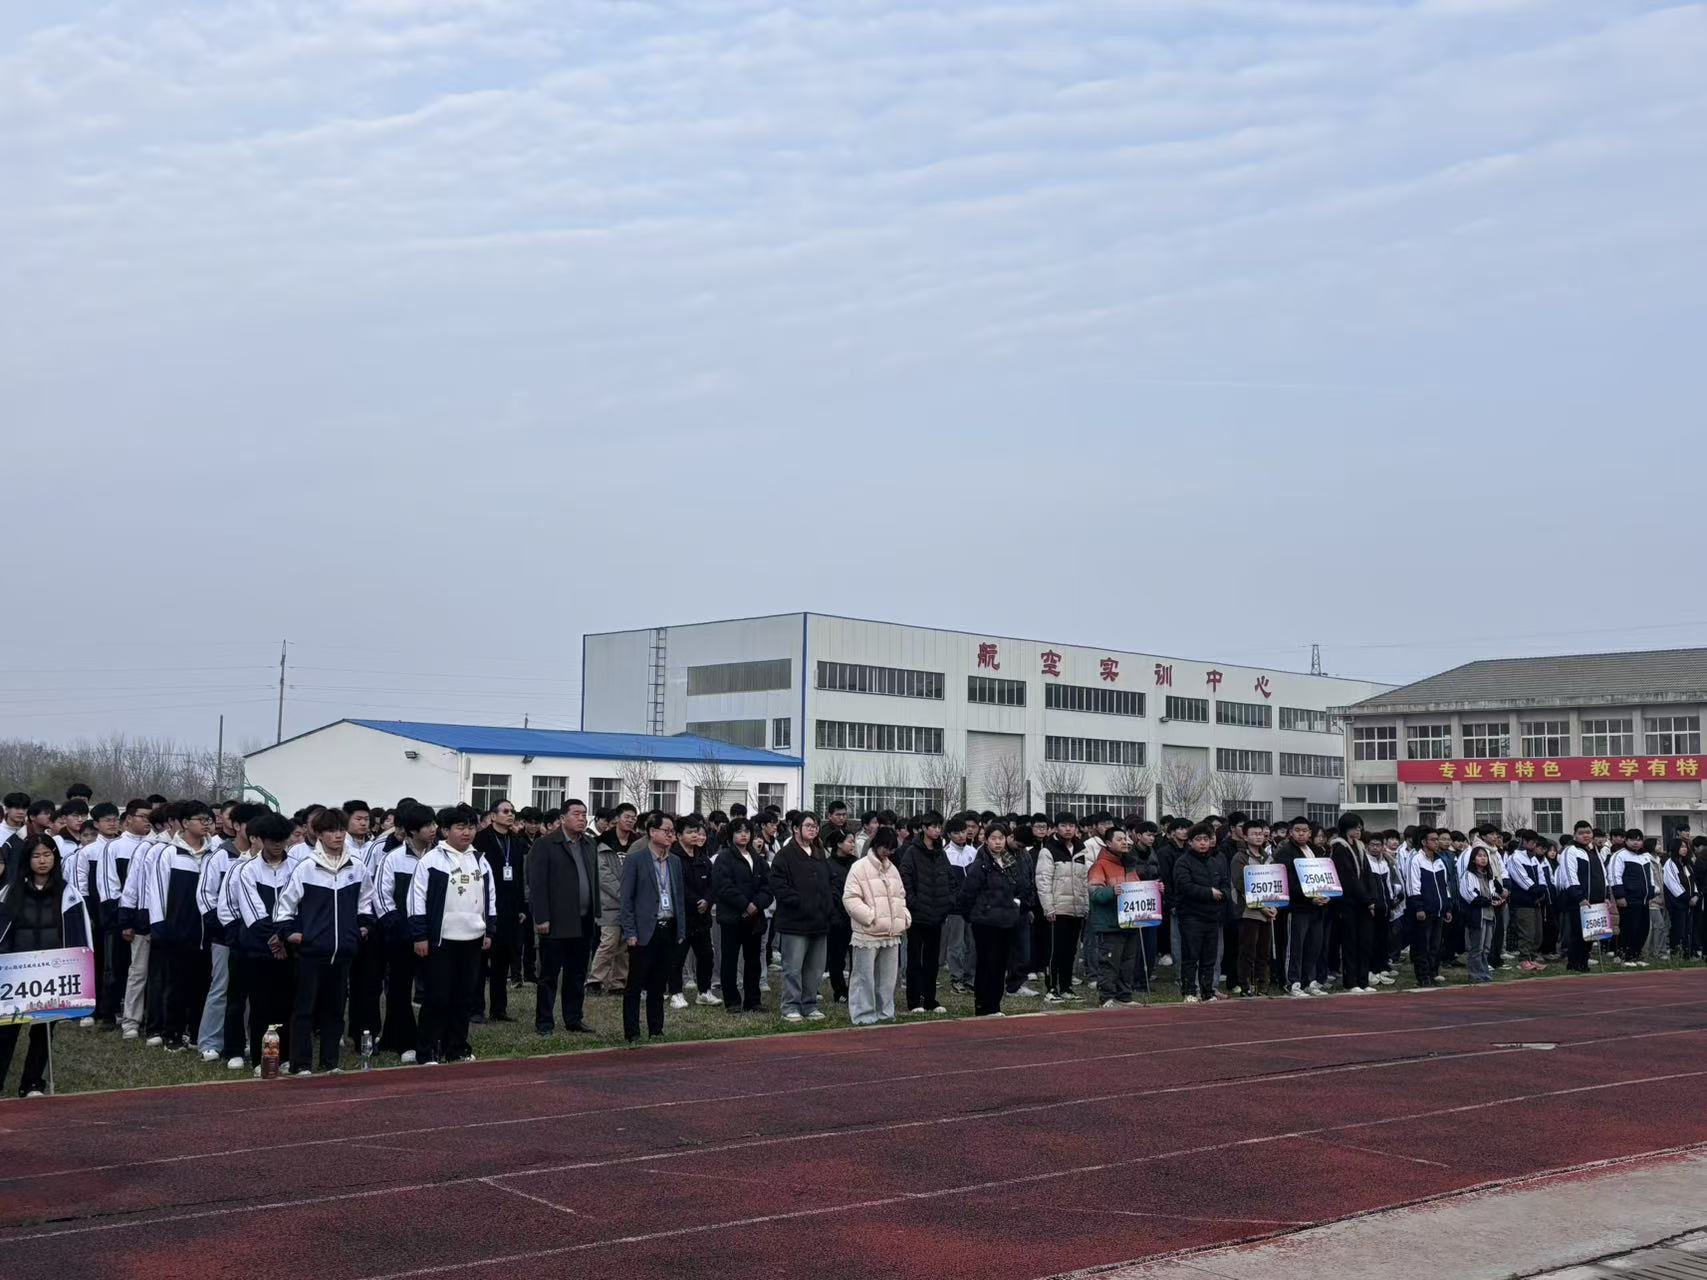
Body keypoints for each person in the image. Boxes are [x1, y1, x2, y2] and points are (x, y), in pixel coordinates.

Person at [274, 808, 374, 1075]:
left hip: (343, 952)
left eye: (341, 830)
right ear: (318, 834)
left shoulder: (357, 866)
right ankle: (301, 1064)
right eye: (331, 830)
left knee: (335, 1010)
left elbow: (366, 900)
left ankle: (330, 1062)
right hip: (311, 952)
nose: (338, 835)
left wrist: (362, 927)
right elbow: (284, 907)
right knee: (304, 1010)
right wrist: (292, 933)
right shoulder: (306, 867)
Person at [0, 836, 92, 1097]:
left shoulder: (69, 894)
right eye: (36, 856)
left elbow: (80, 938)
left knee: (43, 1031)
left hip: (52, 975)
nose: (42, 861)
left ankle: (31, 1083)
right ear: (27, 860)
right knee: (6, 1031)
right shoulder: (9, 893)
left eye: (47, 855)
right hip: (15, 975)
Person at [407, 805, 494, 1066]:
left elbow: (490, 898)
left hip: (473, 939)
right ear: (445, 831)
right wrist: (420, 935)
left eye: (471, 827)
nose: (467, 832)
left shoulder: (480, 859)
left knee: (463, 997)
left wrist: (489, 929)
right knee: (437, 997)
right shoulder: (431, 861)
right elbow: (416, 900)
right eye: (460, 827)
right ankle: (427, 1051)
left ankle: (457, 1048)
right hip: (441, 940)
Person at [224, 811, 298, 1072]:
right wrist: (274, 941)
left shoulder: (297, 868)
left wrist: (285, 939)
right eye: (272, 840)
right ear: (260, 840)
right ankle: (264, 1059)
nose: (278, 845)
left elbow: (298, 906)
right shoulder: (248, 870)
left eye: (282, 840)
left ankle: (285, 1057)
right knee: (261, 1006)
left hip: (290, 948)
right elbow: (253, 913)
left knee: (286, 1004)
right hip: (258, 949)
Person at [146, 800, 217, 1052]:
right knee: (176, 984)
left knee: (202, 984)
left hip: (206, 931)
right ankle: (172, 1034)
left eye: (209, 820)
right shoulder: (169, 854)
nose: (206, 824)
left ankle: (197, 1033)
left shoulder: (214, 853)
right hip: (177, 929)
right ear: (185, 823)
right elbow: (156, 891)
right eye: (201, 820)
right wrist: (159, 925)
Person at [526, 798, 600, 1036]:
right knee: (549, 975)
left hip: (584, 920)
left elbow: (594, 879)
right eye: (576, 814)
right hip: (556, 921)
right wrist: (541, 917)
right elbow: (537, 884)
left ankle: (573, 1018)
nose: (581, 818)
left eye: (584, 814)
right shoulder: (546, 844)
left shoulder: (589, 844)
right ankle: (544, 1022)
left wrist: (596, 911)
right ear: (562, 818)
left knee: (577, 974)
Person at [617, 813, 686, 1042]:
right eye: (666, 831)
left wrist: (681, 930)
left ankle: (656, 1029)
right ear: (652, 832)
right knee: (635, 984)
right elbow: (626, 899)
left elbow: (678, 897)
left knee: (658, 983)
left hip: (668, 927)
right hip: (644, 930)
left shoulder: (674, 861)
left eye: (672, 831)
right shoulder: (636, 860)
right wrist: (630, 932)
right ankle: (632, 1031)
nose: (670, 835)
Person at [374, 803, 436, 1058]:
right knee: (400, 989)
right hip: (401, 937)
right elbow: (381, 896)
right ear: (411, 830)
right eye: (427, 825)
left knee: (432, 989)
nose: (433, 829)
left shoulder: (439, 856)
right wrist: (398, 926)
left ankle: (428, 1037)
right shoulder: (393, 858)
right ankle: (403, 1040)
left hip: (433, 935)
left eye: (434, 823)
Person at [957, 821, 1032, 1017]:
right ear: (986, 840)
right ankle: (983, 1005)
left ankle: (995, 1005)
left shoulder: (1010, 861)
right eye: (993, 838)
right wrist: (975, 915)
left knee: (1000, 965)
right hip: (985, 922)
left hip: (1006, 920)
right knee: (986, 964)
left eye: (1001, 838)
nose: (998, 842)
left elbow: (1021, 886)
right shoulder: (981, 863)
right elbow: (967, 893)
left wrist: (1016, 904)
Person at [769, 811, 832, 1023]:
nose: (813, 829)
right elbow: (779, 886)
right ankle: (790, 1006)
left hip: (819, 921)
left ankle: (810, 1004)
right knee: (793, 967)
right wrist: (800, 902)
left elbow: (829, 882)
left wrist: (828, 904)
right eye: (808, 825)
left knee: (815, 968)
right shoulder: (785, 855)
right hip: (794, 922)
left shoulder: (819, 853)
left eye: (815, 826)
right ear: (796, 828)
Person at [843, 826, 909, 1025]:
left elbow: (900, 895)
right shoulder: (859, 867)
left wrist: (903, 917)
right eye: (885, 848)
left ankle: (885, 1012)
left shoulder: (892, 869)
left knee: (888, 979)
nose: (888, 852)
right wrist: (870, 917)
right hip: (867, 933)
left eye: (891, 849)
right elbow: (850, 898)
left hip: (891, 932)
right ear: (876, 845)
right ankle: (863, 1014)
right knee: (864, 977)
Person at [472, 800, 527, 1023]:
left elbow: (519, 875)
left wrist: (521, 906)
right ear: (493, 816)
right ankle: (476, 1008)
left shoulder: (516, 840)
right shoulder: (480, 839)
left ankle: (499, 1008)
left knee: (502, 959)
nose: (510, 815)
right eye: (505, 811)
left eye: (512, 811)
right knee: (480, 960)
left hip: (509, 906)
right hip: (485, 904)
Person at [711, 817, 771, 1012]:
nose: (744, 835)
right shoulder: (724, 857)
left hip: (754, 917)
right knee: (730, 959)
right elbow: (723, 887)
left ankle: (753, 1000)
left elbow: (768, 886)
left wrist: (757, 904)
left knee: (753, 960)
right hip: (732, 917)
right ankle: (732, 1001)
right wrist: (745, 905)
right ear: (731, 835)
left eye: (747, 831)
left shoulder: (757, 858)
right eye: (739, 831)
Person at [897, 811, 954, 1015]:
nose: (937, 830)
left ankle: (930, 998)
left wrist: (948, 902)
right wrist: (914, 903)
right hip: (918, 915)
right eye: (933, 826)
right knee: (915, 959)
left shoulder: (940, 852)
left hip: (937, 915)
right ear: (923, 828)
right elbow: (905, 879)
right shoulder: (912, 852)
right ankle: (914, 1000)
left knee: (932, 960)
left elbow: (950, 879)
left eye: (939, 827)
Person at [1035, 811, 1093, 1004]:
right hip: (1057, 909)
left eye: (1071, 826)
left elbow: (1084, 880)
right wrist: (1048, 907)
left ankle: (1066, 987)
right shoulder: (1048, 851)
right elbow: (1043, 881)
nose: (1068, 829)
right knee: (1054, 951)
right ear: (1056, 828)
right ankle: (1051, 989)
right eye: (1063, 825)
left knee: (1070, 951)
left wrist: (1085, 906)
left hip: (1076, 909)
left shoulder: (1081, 849)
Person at [1086, 827, 1143, 1006]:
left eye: (1125, 838)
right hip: (1110, 923)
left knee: (1128, 962)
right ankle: (1107, 997)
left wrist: (1154, 890)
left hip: (1129, 922)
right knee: (1109, 962)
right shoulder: (1100, 865)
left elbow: (1138, 889)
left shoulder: (1129, 864)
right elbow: (1095, 893)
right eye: (1119, 839)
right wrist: (1112, 891)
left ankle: (1124, 996)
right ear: (1108, 843)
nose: (1125, 842)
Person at [1173, 823, 1229, 1004]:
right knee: (1191, 956)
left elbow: (1225, 884)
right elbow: (1185, 886)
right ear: (1190, 842)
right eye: (1198, 839)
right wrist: (1209, 892)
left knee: (1209, 957)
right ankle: (1189, 991)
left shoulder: (1215, 861)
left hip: (1212, 916)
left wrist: (1224, 894)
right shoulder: (1183, 862)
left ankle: (1207, 991)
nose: (1203, 843)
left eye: (1206, 839)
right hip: (1191, 916)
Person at [1276, 816, 1329, 997]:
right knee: (1295, 946)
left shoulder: (1316, 851)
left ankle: (1309, 981)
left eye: (1304, 831)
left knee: (1314, 945)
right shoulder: (1285, 852)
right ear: (1291, 832)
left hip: (1317, 907)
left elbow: (1325, 876)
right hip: (1297, 907)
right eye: (1297, 830)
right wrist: (1309, 898)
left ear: (1310, 833)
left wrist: (1327, 894)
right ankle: (1292, 982)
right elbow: (1288, 882)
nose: (1301, 834)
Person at [667, 815, 717, 1009]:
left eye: (696, 832)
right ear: (679, 835)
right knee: (677, 957)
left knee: (706, 955)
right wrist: (697, 900)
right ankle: (675, 993)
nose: (695, 836)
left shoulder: (702, 858)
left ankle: (704, 991)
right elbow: (677, 886)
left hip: (702, 917)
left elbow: (713, 883)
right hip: (681, 916)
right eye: (690, 832)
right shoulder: (673, 858)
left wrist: (708, 900)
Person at [589, 803, 638, 996]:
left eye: (633, 818)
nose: (630, 821)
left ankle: (618, 982)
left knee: (625, 945)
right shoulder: (602, 843)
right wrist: (624, 894)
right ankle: (595, 980)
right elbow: (603, 875)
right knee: (609, 942)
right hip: (610, 903)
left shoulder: (637, 843)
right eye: (627, 817)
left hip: (631, 903)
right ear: (617, 819)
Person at [1329, 813, 1378, 995]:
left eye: (1360, 827)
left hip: (1364, 903)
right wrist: (1365, 899)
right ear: (1346, 827)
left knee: (1365, 943)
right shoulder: (1339, 847)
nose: (1359, 830)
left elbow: (1368, 874)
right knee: (1350, 943)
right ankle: (1351, 981)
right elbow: (1348, 878)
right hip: (1348, 903)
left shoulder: (1360, 846)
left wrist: (1371, 899)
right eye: (1355, 827)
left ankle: (1363, 980)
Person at [1229, 820, 1279, 997]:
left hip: (1267, 911)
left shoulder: (1268, 857)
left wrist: (1274, 906)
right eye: (1254, 834)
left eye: (1261, 834)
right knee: (1247, 951)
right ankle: (1245, 986)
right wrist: (1262, 907)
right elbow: (1242, 886)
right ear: (1245, 836)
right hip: (1248, 911)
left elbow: (1275, 883)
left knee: (1264, 952)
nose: (1258, 837)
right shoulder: (1240, 857)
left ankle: (1261, 985)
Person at [1405, 830, 1453, 988]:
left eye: (1437, 839)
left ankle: (1433, 972)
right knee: (1422, 945)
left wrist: (1447, 907)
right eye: (1433, 839)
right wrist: (1419, 907)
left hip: (1439, 910)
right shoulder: (1416, 859)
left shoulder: (1440, 861)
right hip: (1424, 911)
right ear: (1424, 842)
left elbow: (1445, 886)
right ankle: (1423, 976)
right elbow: (1413, 886)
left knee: (1435, 945)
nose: (1437, 842)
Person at [1610, 828, 1657, 966]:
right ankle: (1624, 956)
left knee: (1643, 929)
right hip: (1628, 900)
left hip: (1644, 900)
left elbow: (1651, 876)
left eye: (1639, 840)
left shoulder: (1645, 856)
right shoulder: (1620, 855)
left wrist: (1651, 892)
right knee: (1629, 928)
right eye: (1632, 839)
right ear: (1626, 840)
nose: (1636, 843)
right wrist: (1620, 895)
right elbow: (1615, 876)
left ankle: (1636, 955)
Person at [824, 827, 858, 1005]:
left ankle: (854, 990)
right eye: (850, 841)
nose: (853, 845)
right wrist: (835, 916)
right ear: (839, 844)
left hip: (856, 918)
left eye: (854, 841)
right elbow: (828, 894)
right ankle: (839, 991)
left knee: (856, 958)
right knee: (836, 958)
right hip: (836, 919)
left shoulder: (857, 864)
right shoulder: (828, 865)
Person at [1460, 845, 1499, 984]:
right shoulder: (1468, 875)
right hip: (1476, 915)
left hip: (1489, 914)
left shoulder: (1488, 876)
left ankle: (1484, 972)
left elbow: (1492, 892)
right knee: (1477, 947)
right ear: (1473, 859)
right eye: (1480, 856)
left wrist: (1495, 899)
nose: (1483, 858)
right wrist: (1488, 901)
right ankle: (1474, 974)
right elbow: (1469, 895)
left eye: (1485, 856)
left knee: (1486, 948)